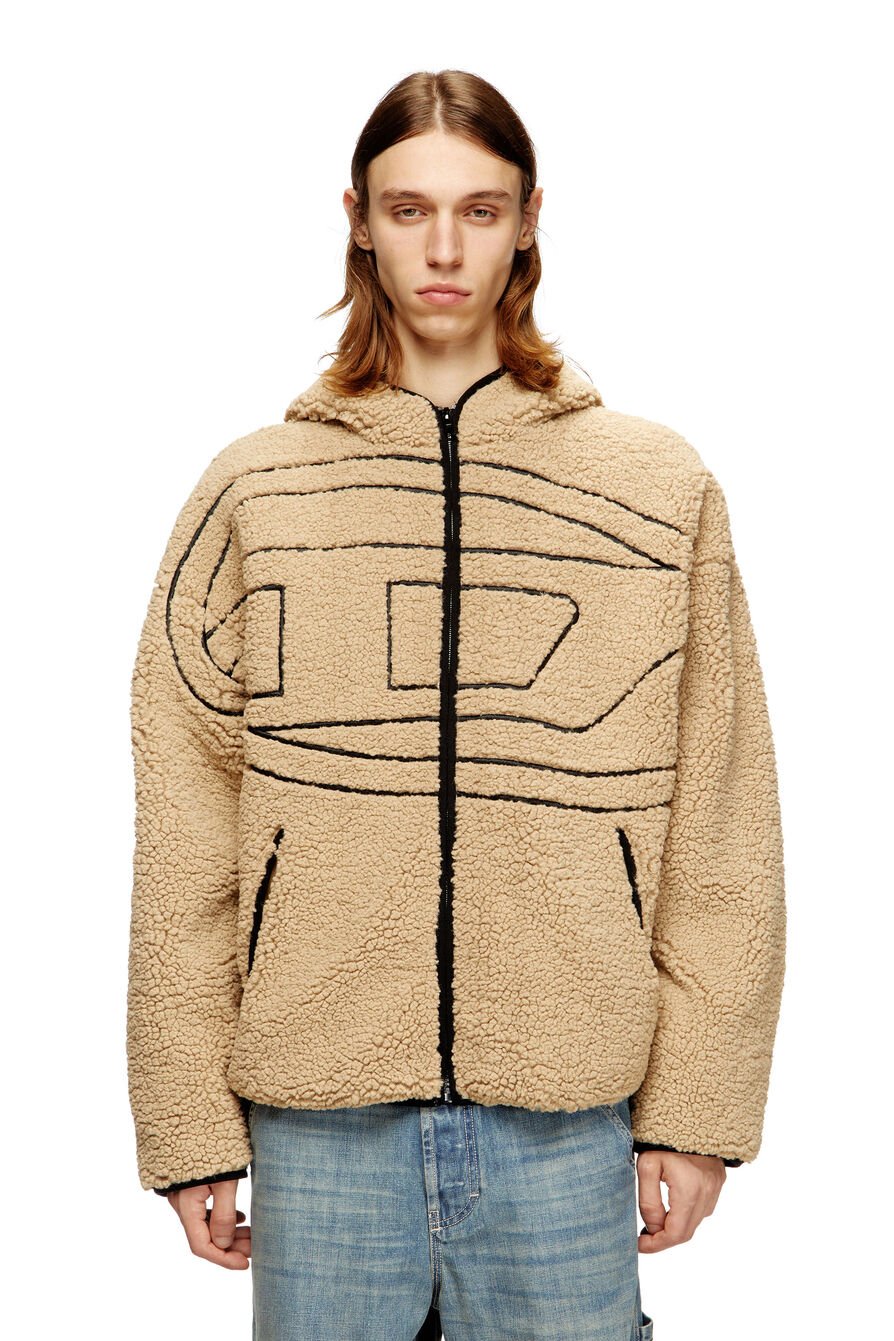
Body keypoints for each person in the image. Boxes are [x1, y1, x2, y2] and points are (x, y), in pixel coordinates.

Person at [126, 69, 786, 1341]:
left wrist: (699, 1107)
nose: (443, 249)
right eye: (409, 210)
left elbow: (724, 820)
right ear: (358, 221)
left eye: (479, 211)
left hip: (571, 1108)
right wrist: (188, 1118)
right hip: (317, 1109)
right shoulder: (257, 491)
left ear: (529, 220)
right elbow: (186, 830)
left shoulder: (655, 487)